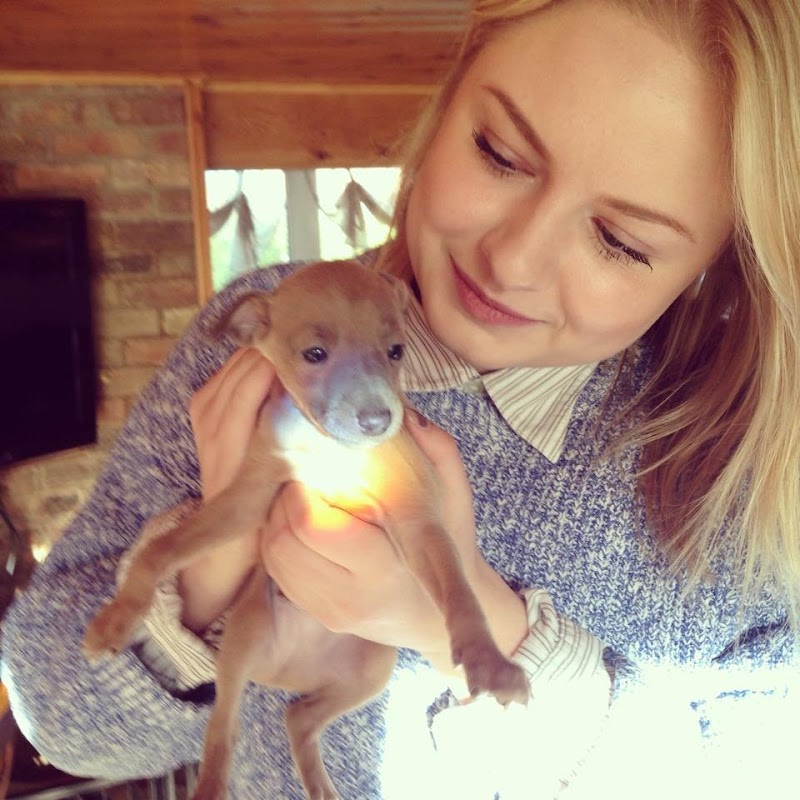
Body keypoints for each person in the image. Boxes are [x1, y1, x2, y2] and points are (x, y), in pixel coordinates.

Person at [2, 0, 800, 797]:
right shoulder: (265, 336)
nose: (513, 261)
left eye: (619, 242)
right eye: (499, 154)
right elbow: (59, 714)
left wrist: (472, 628)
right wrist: (215, 562)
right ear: (446, 99)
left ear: (719, 265)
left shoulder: (742, 465)